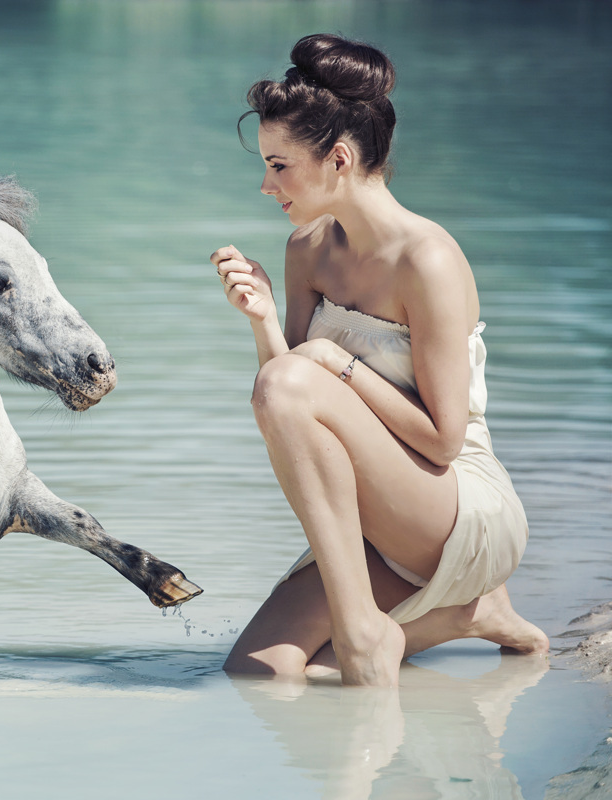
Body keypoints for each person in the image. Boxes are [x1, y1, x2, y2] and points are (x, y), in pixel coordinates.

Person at [213, 33, 548, 687]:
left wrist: (334, 362)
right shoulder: (307, 250)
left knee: (349, 651)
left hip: (454, 508)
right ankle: (464, 616)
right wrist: (260, 321)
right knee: (260, 676)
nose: (264, 185)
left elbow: (445, 440)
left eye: (280, 166)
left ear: (337, 159)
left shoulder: (428, 260)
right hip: (374, 525)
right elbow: (290, 403)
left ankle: (376, 628)